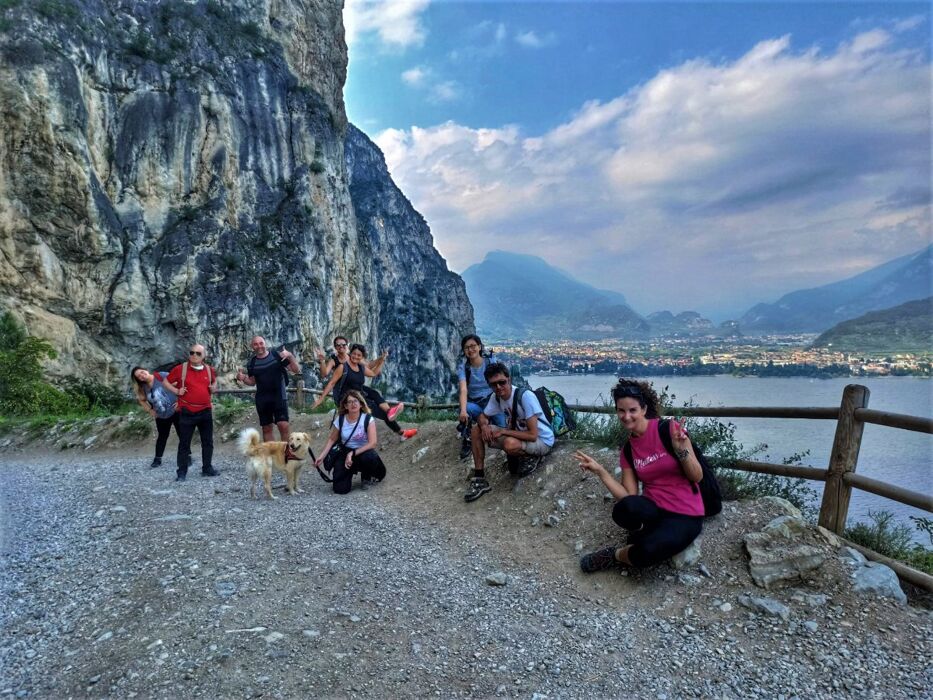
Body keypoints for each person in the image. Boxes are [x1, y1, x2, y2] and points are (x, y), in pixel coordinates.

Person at [574, 378, 704, 572]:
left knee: (646, 553)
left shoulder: (669, 430)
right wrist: (600, 471)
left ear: (643, 409)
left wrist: (681, 450)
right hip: (654, 509)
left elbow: (696, 477)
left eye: (632, 410)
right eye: (621, 410)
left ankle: (615, 555)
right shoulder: (628, 449)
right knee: (623, 510)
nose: (626, 416)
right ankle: (645, 533)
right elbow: (629, 497)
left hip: (685, 513)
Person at [464, 362, 554, 503]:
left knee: (509, 443)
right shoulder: (497, 397)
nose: (499, 387)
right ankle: (480, 478)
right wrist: (484, 425)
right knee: (476, 430)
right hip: (519, 435)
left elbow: (533, 435)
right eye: (494, 384)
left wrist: (503, 431)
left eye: (502, 382)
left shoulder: (525, 397)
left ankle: (532, 456)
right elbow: (483, 416)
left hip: (542, 441)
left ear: (509, 380)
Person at [311, 343, 416, 441]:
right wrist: (321, 399)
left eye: (359, 355)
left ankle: (390, 412)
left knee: (374, 393)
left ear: (362, 357)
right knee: (380, 412)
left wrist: (382, 360)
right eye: (354, 354)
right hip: (348, 398)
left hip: (359, 394)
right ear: (350, 353)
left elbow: (374, 373)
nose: (356, 357)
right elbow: (332, 383)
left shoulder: (361, 367)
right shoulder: (342, 367)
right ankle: (401, 432)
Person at [163, 343, 219, 481]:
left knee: (208, 442)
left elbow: (214, 381)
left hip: (205, 410)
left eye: (198, 353)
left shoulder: (209, 369)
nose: (194, 355)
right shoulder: (180, 369)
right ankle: (181, 472)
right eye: (192, 352)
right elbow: (165, 382)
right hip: (187, 411)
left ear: (204, 356)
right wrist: (176, 391)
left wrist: (214, 388)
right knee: (184, 443)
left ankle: (207, 468)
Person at [314, 390, 386, 494]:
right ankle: (349, 471)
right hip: (345, 451)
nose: (353, 404)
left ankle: (366, 476)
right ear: (346, 406)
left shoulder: (367, 419)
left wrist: (352, 453)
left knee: (369, 457)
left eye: (356, 401)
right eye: (350, 402)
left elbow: (373, 443)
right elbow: (332, 439)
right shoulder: (341, 420)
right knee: (340, 489)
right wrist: (321, 456)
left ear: (361, 404)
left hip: (363, 451)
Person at [235, 335, 301, 442]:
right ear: (252, 347)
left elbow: (295, 370)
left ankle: (285, 454)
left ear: (265, 343)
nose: (259, 346)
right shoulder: (252, 363)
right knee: (266, 429)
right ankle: (271, 456)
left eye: (261, 343)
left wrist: (290, 356)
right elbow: (252, 382)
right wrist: (243, 378)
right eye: (256, 344)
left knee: (283, 425)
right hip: (263, 399)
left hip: (279, 396)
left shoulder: (276, 355)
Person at [456, 334, 506, 459]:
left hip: (492, 402)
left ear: (479, 347)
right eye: (466, 347)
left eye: (473, 346)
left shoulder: (490, 362)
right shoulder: (464, 368)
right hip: (476, 404)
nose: (470, 350)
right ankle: (468, 437)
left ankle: (487, 422)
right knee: (466, 408)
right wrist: (462, 411)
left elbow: (499, 381)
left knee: (502, 429)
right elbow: (463, 389)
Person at [131, 366, 186, 469]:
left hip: (176, 410)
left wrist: (180, 401)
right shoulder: (143, 387)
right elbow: (141, 400)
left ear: (146, 370)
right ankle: (157, 459)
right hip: (161, 415)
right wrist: (149, 410)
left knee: (182, 433)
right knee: (162, 437)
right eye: (139, 376)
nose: (142, 376)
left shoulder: (162, 376)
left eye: (142, 372)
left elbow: (180, 384)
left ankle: (187, 456)